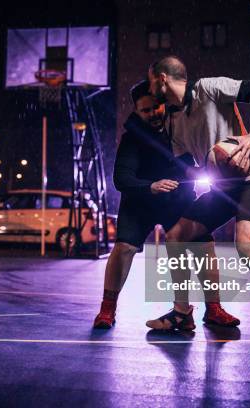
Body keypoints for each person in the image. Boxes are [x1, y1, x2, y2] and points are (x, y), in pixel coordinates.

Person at [145, 56, 250, 360]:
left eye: (150, 79)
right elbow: (185, 164)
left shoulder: (209, 88)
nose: (149, 85)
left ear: (162, 78)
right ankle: (182, 314)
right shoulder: (173, 120)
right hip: (221, 188)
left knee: (246, 247)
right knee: (176, 235)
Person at [93, 80, 240, 329]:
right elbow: (121, 178)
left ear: (164, 104)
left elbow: (184, 165)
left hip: (176, 199)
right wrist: (150, 186)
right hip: (140, 202)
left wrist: (197, 171)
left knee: (204, 244)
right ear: (137, 112)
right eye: (145, 110)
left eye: (156, 107)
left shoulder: (180, 127)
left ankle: (213, 308)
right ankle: (107, 310)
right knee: (124, 248)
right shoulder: (132, 138)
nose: (152, 114)